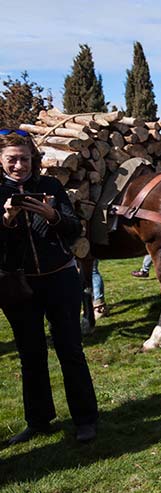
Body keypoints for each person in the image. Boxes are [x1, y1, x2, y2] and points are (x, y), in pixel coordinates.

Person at [0, 129, 98, 445]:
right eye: (12, 159)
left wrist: (53, 215)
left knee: (70, 349)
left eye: (24, 159)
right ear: (0, 160)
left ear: (34, 159)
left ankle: (85, 419)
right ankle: (38, 421)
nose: (19, 166)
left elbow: (74, 229)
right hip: (18, 286)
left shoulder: (50, 186)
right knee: (31, 354)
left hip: (59, 279)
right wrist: (5, 220)